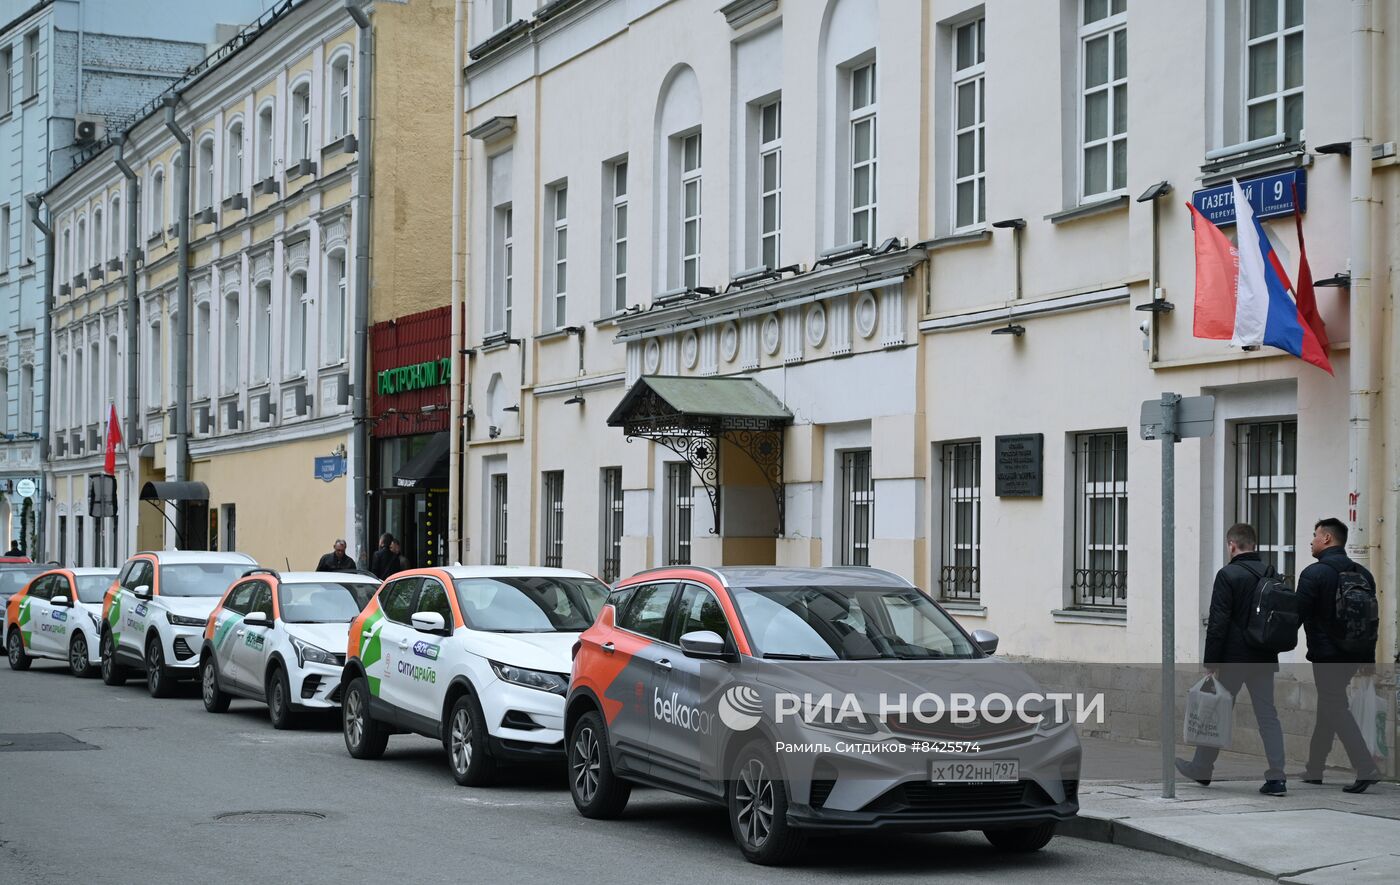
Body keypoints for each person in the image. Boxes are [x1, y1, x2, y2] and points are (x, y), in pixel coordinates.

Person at [1176, 523, 1289, 795]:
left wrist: (1211, 662)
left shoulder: (1227, 575)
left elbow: (1218, 622)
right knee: (1268, 716)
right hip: (1263, 655)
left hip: (1234, 658)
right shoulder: (1271, 573)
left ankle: (1202, 768)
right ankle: (1277, 777)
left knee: (1216, 711)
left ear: (1231, 545)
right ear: (1254, 544)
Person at [1296, 517, 1383, 793]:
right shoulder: (1363, 573)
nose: (1311, 540)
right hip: (1354, 654)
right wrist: (1367, 659)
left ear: (1327, 539)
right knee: (1329, 706)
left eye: (1314, 535)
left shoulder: (1314, 574)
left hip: (1327, 655)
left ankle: (1366, 766)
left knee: (1335, 706)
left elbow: (1297, 614)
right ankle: (1314, 768)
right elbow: (1372, 619)